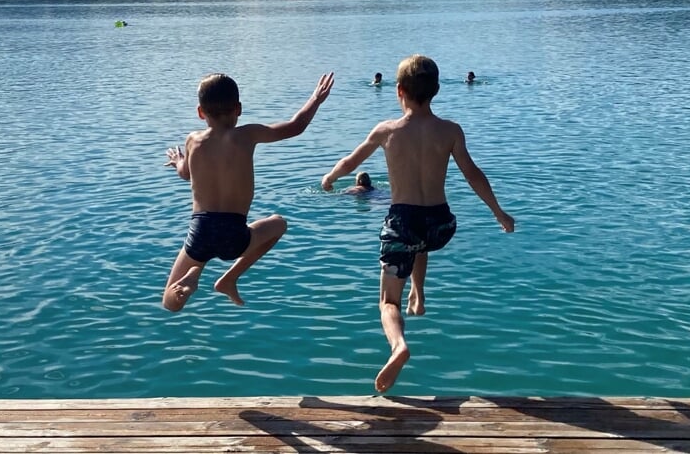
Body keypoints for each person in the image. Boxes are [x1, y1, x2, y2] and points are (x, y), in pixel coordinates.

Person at [321, 55, 514, 392]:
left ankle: (399, 346)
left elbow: (351, 161)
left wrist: (330, 178)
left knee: (387, 301)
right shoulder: (451, 130)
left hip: (403, 221)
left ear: (399, 91)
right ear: (436, 90)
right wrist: (498, 212)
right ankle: (419, 293)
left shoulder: (387, 130)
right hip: (440, 224)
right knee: (419, 242)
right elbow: (472, 174)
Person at [162, 72, 335, 312]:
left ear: (200, 112)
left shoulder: (193, 141)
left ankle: (190, 281)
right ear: (239, 109)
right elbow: (296, 126)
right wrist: (315, 98)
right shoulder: (247, 135)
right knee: (279, 224)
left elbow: (185, 173)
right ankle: (230, 278)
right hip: (235, 235)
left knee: (170, 303)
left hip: (200, 231)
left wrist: (179, 160)